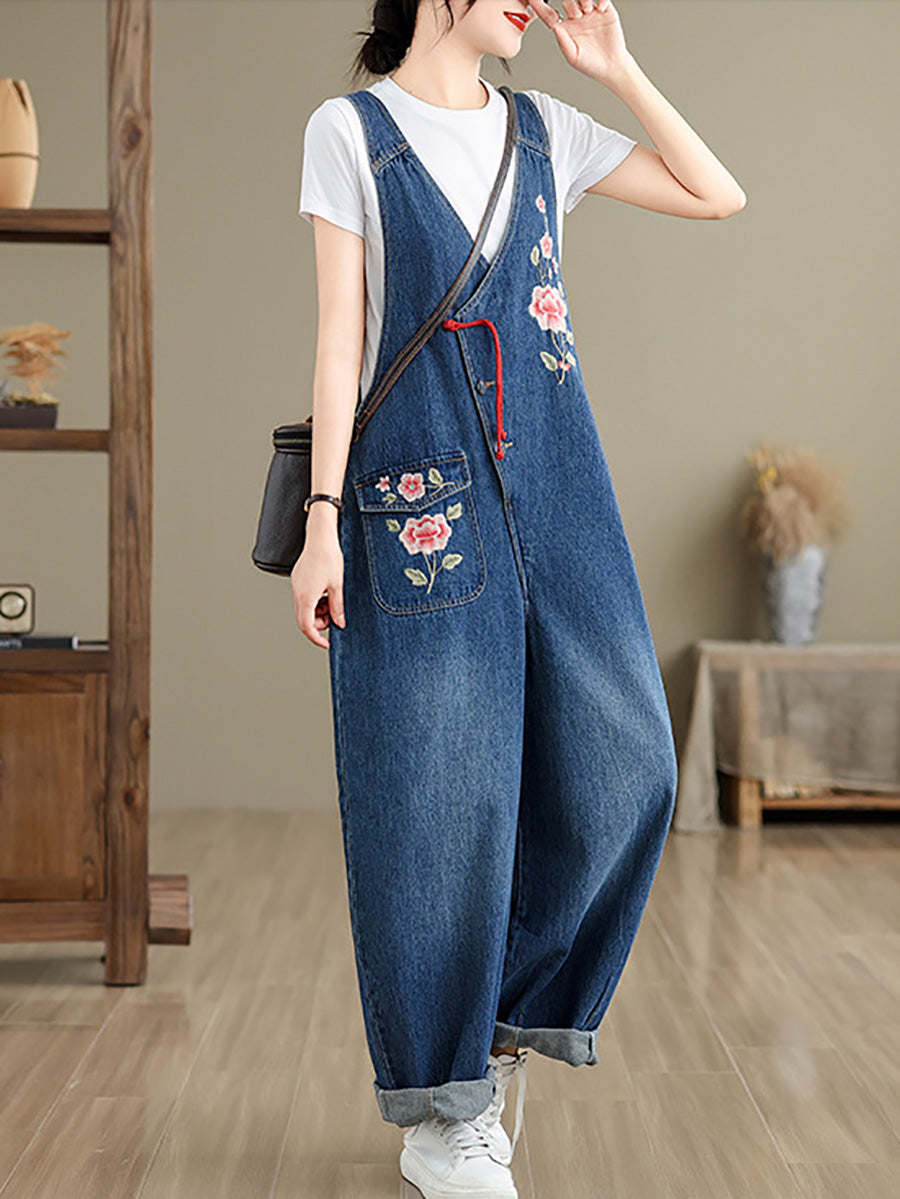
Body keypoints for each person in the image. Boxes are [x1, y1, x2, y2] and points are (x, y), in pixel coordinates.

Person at [292, 2, 746, 1196]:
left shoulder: (548, 129)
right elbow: (339, 340)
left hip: (559, 483)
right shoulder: (351, 133)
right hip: (418, 495)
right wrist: (321, 522)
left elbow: (717, 194)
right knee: (440, 801)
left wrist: (620, 69)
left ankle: (493, 1038)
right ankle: (442, 1114)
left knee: (629, 764)